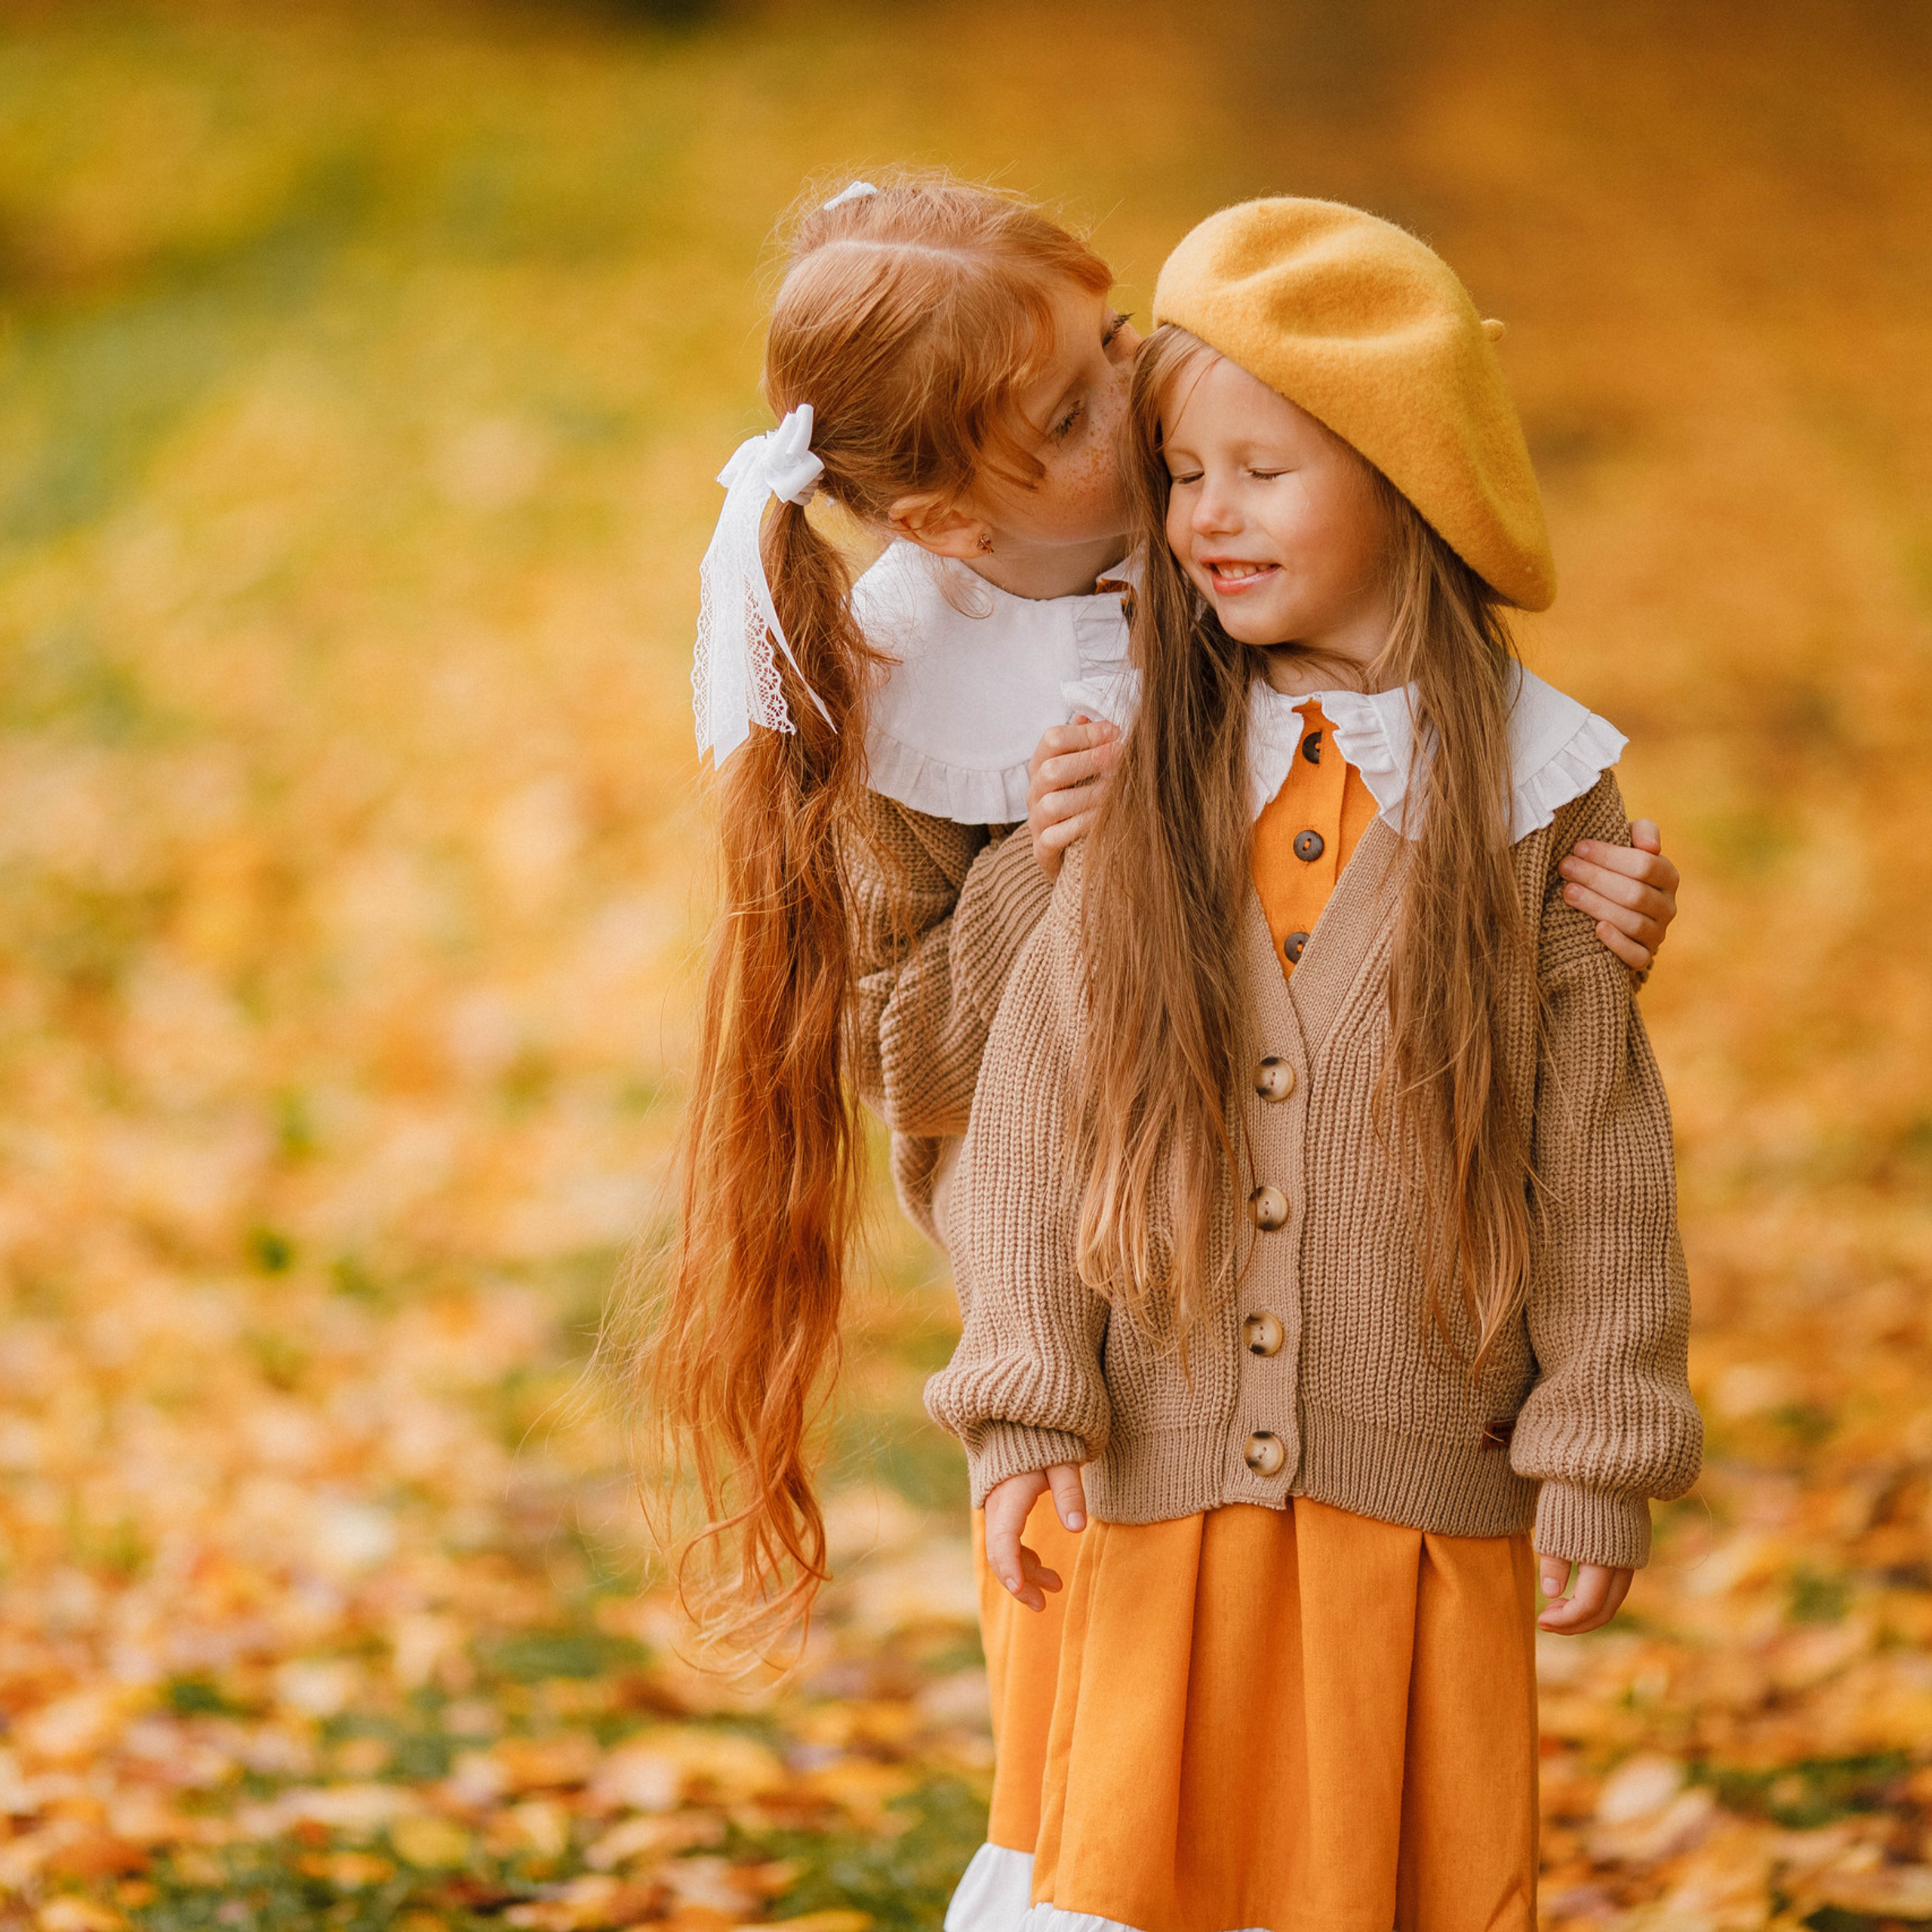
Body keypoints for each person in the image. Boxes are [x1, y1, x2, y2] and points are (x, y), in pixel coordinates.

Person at [648, 175, 1683, 1924]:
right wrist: (1049, 866)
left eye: (1118, 348)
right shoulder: (913, 690)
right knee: (1120, 1830)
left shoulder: (1226, 572)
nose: (1135, 418)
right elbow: (941, 1069)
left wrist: (1582, 913)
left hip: (1382, 1383)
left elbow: (1522, 998)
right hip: (1121, 1352)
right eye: (1076, 416)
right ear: (952, 516)